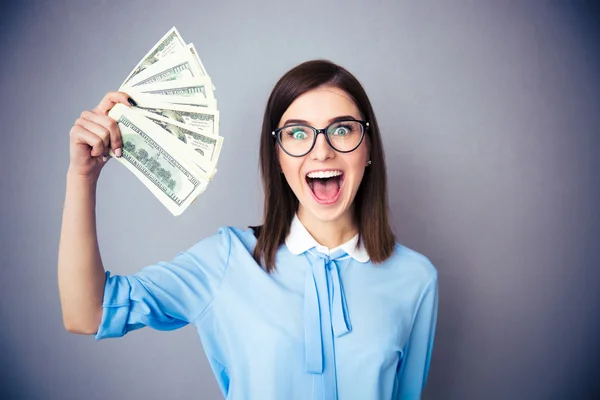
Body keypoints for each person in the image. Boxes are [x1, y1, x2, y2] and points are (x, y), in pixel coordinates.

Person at [58, 60, 438, 400]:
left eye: (341, 129)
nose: (322, 152)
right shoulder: (226, 260)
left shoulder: (416, 279)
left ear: (368, 148)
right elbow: (88, 313)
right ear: (276, 156)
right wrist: (83, 175)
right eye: (298, 133)